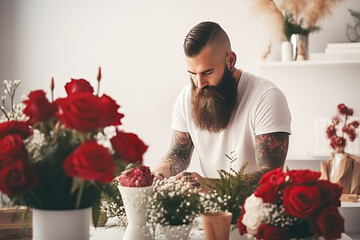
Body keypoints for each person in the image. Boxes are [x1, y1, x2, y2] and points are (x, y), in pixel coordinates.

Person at [154, 21, 291, 191]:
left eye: (207, 72)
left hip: (258, 208)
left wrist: (209, 184)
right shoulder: (186, 97)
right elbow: (178, 153)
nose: (199, 83)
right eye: (192, 74)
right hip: (209, 210)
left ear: (230, 60)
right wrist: (156, 176)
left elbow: (271, 174)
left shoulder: (267, 97)